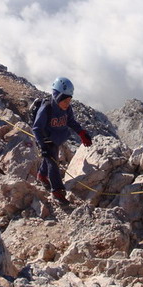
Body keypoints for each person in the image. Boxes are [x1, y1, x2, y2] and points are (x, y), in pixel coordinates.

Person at [32, 77, 93, 205]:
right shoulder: (47, 108)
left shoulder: (67, 109)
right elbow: (36, 128)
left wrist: (81, 133)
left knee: (51, 159)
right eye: (65, 100)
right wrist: (42, 146)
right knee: (53, 164)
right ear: (57, 97)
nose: (67, 103)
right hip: (47, 141)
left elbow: (71, 121)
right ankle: (57, 191)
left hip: (57, 139)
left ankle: (42, 175)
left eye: (69, 100)